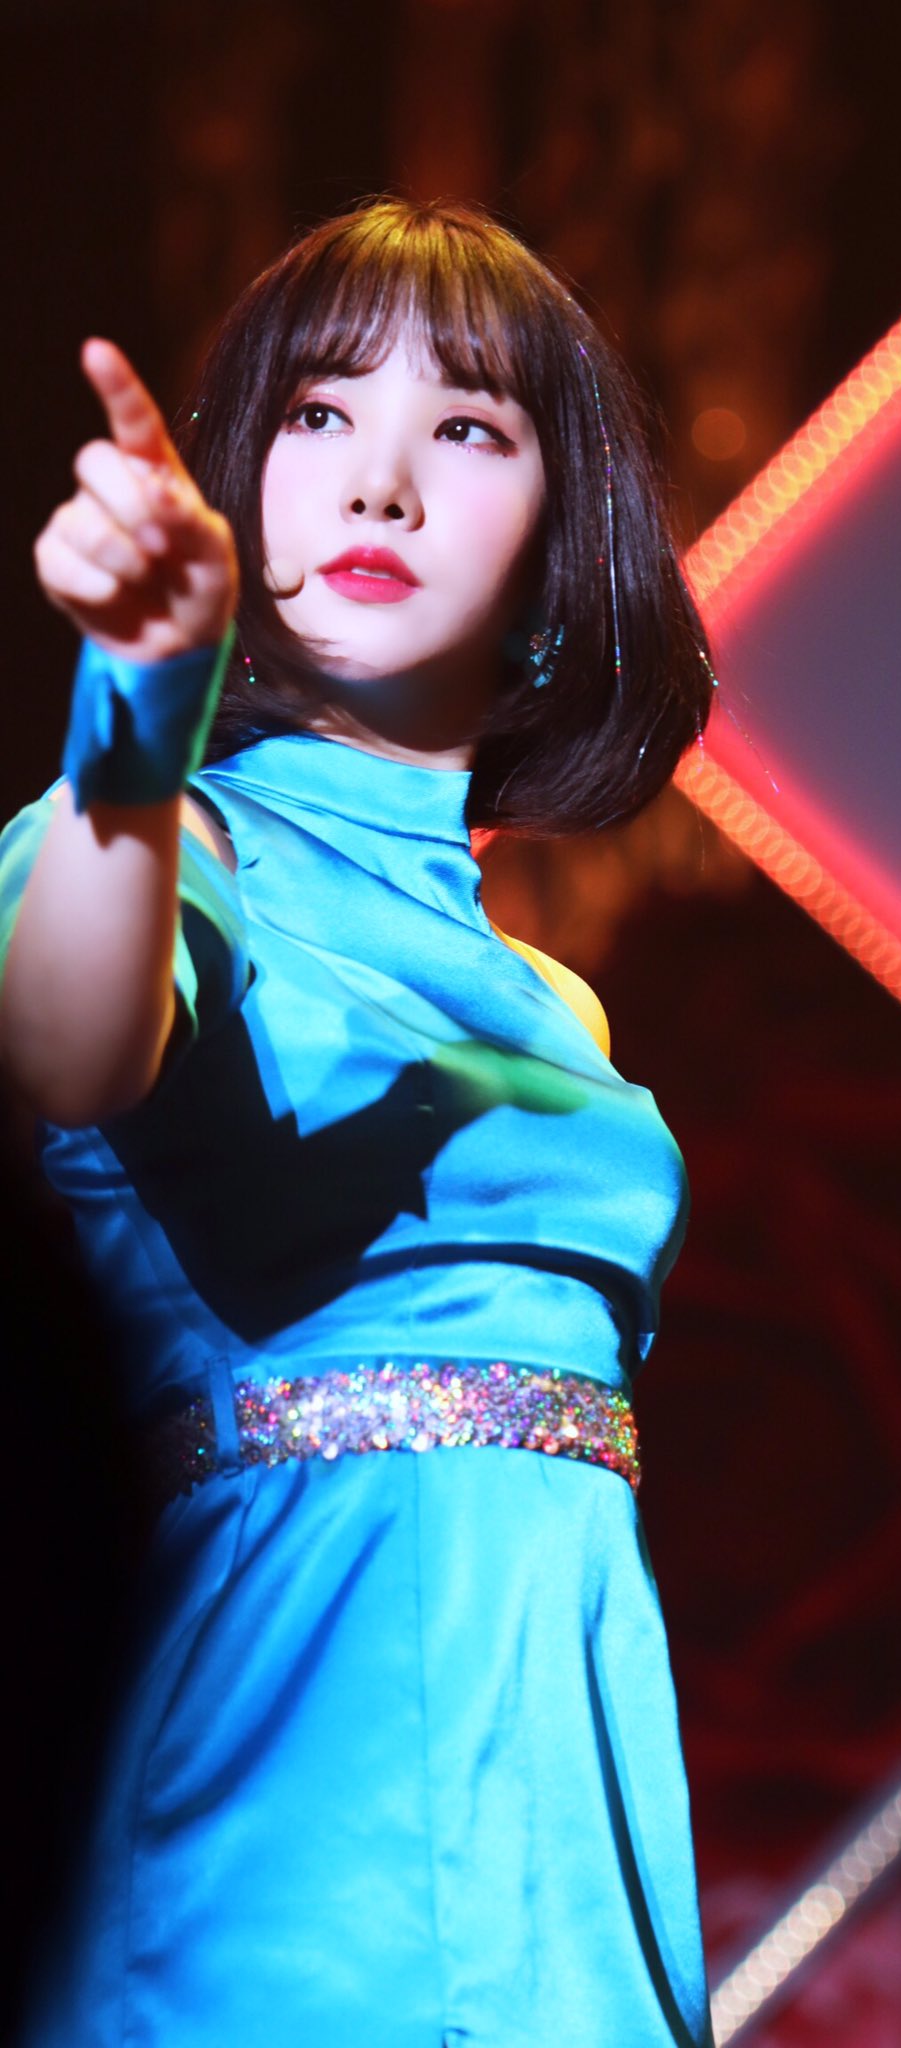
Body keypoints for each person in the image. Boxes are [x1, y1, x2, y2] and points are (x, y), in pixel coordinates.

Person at [0, 197, 717, 2048]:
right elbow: (64, 1049)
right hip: (284, 1790)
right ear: (243, 474)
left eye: (466, 426)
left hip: (562, 1789)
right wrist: (132, 718)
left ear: (563, 537)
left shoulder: (556, 1007)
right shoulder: (160, 840)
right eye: (321, 413)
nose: (379, 482)